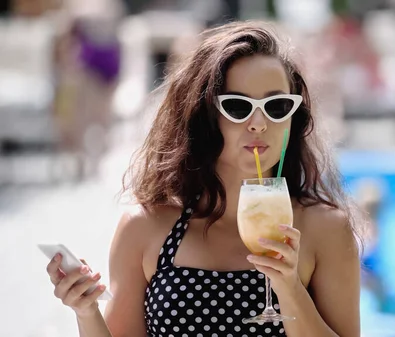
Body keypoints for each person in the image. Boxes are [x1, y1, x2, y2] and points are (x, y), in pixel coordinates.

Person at [45, 20, 364, 337]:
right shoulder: (145, 227)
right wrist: (86, 311)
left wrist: (290, 290)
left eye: (277, 106)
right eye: (238, 107)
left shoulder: (325, 230)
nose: (259, 123)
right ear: (204, 116)